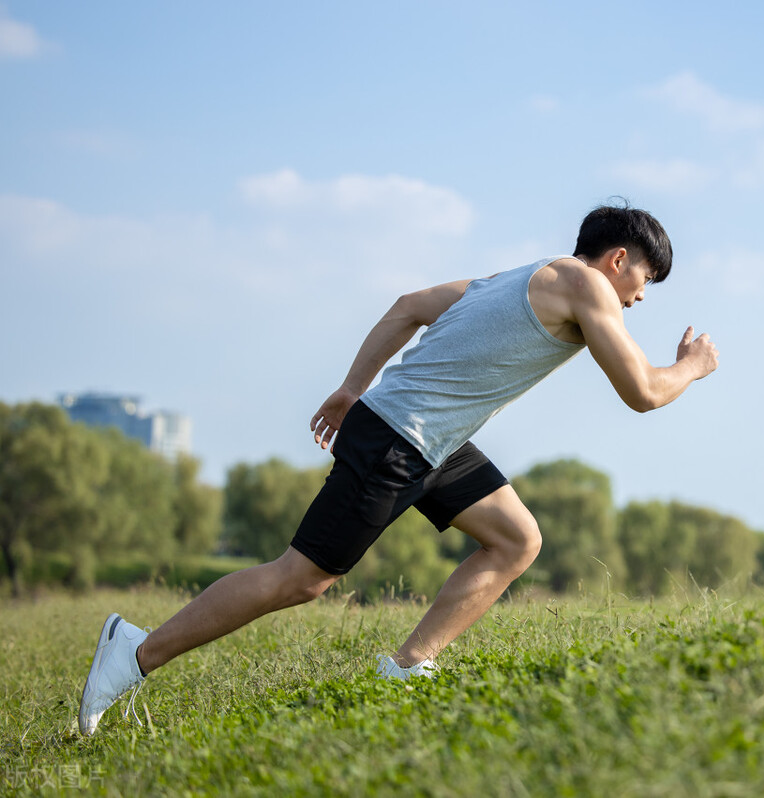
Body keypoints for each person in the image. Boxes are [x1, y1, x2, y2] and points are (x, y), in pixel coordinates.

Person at [78, 203, 719, 735]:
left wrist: (352, 387)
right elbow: (643, 391)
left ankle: (410, 665)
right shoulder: (585, 286)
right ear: (617, 260)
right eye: (644, 280)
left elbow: (410, 304)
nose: (638, 297)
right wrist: (691, 365)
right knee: (299, 579)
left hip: (428, 440)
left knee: (516, 538)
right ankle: (132, 654)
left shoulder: (517, 277)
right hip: (397, 441)